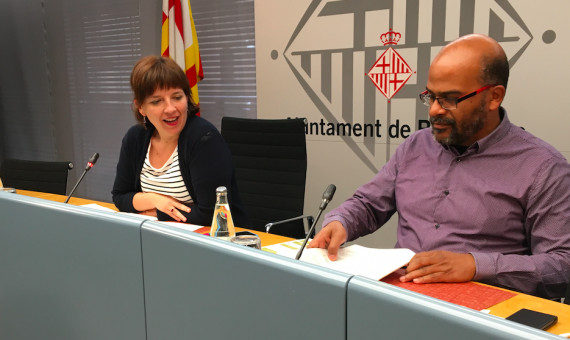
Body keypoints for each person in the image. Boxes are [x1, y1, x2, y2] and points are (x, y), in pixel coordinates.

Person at [309, 34, 570, 299]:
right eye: (430, 97)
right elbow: (368, 204)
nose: (434, 110)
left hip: (482, 313)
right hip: (398, 298)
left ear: (494, 97)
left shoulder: (543, 168)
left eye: (449, 99)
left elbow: (562, 265)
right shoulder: (415, 146)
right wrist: (340, 222)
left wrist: (476, 265)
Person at [112, 56, 249, 227]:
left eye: (177, 97)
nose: (170, 108)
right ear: (141, 107)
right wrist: (156, 200)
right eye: (156, 101)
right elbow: (120, 196)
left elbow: (212, 215)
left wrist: (158, 213)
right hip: (158, 239)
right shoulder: (135, 138)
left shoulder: (204, 139)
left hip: (214, 242)